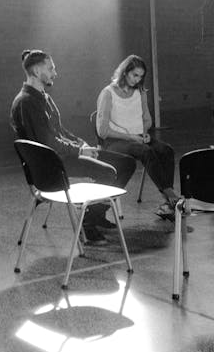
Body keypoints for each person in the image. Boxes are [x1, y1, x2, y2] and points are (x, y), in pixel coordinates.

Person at [10, 49, 137, 243]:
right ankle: (87, 223)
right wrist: (79, 151)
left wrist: (81, 144)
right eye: (50, 68)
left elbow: (59, 131)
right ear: (36, 71)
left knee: (127, 164)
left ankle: (96, 214)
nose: (55, 72)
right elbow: (48, 143)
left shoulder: (43, 97)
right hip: (53, 166)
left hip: (64, 155)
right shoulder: (26, 103)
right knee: (109, 172)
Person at [96, 54, 179, 220]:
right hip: (115, 142)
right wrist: (131, 137)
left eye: (141, 76)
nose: (137, 79)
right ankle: (170, 196)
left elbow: (147, 120)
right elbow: (102, 131)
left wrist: (145, 133)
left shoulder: (140, 92)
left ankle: (168, 201)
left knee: (166, 150)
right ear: (125, 72)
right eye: (135, 75)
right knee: (146, 152)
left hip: (138, 138)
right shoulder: (108, 93)